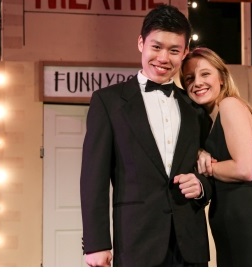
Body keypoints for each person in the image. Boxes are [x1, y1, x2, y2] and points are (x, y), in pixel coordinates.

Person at [80, 4, 212, 267]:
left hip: (190, 245)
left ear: (185, 52)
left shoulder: (196, 108)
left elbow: (211, 171)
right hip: (136, 243)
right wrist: (96, 243)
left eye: (174, 50)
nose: (163, 58)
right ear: (141, 43)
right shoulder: (108, 102)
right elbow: (93, 177)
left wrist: (201, 188)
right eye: (156, 47)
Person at [180, 47, 252, 267]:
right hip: (231, 234)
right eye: (189, 78)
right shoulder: (209, 123)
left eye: (205, 74)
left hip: (250, 233)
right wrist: (201, 153)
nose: (197, 82)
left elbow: (245, 169)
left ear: (221, 77)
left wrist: (207, 167)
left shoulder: (230, 105)